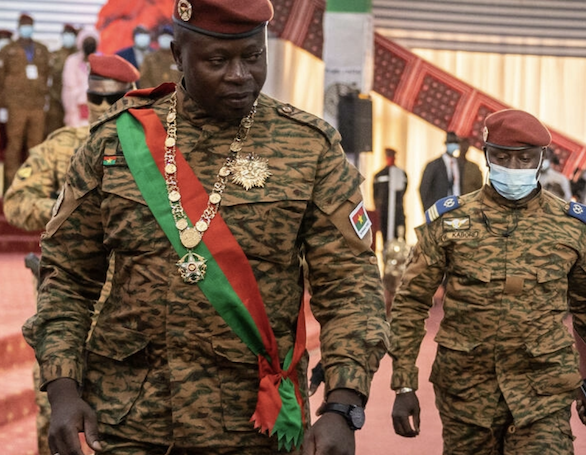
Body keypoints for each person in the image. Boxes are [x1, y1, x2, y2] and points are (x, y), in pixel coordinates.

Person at [22, 2, 390, 455]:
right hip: (127, 423)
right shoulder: (115, 142)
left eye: (253, 57)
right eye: (217, 60)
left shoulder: (309, 147)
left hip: (257, 426)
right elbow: (67, 279)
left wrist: (343, 404)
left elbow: (350, 286)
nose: (239, 75)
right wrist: (62, 389)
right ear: (178, 54)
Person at [389, 108, 586, 454]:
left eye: (525, 158)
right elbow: (410, 303)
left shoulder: (571, 226)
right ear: (486, 156)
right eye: (502, 157)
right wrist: (404, 385)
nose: (513, 168)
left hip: (543, 393)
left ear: (540, 160)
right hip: (467, 394)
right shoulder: (450, 221)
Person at [4, 53, 139, 455]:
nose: (102, 108)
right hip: (66, 296)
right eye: (96, 99)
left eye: (111, 99)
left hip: (127, 304)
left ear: (132, 95)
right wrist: (69, 212)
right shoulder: (64, 145)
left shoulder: (152, 151)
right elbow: (16, 203)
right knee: (54, 411)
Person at [0, 13, 50, 192]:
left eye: (29, 24)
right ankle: (11, 185)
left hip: (37, 104)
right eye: (24, 25)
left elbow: (46, 74)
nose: (27, 27)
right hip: (16, 105)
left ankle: (32, 183)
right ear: (19, 27)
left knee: (35, 146)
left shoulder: (41, 49)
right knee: (14, 144)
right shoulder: (8, 50)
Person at [61, 26, 99, 128]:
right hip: (76, 111)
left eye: (92, 42)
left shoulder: (102, 61)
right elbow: (69, 87)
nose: (89, 45)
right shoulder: (72, 61)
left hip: (97, 111)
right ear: (81, 43)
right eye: (87, 41)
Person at [45, 24, 78, 136]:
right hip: (56, 100)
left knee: (72, 133)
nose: (67, 37)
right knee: (54, 132)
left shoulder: (79, 56)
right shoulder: (54, 55)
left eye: (70, 35)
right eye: (65, 34)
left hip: (74, 101)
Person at [419, 131, 462, 212]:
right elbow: (424, 189)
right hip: (439, 209)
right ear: (445, 143)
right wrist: (430, 211)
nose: (453, 145)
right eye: (450, 142)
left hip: (458, 209)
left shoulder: (459, 164)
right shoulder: (434, 165)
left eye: (455, 142)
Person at [373, 147, 407, 244]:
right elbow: (375, 193)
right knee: (385, 237)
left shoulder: (401, 174)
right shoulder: (379, 174)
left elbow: (404, 190)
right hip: (384, 210)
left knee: (400, 236)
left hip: (398, 210)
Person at [139, 24, 182, 88]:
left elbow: (184, 79)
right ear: (158, 39)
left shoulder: (179, 59)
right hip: (154, 95)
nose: (165, 39)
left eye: (168, 36)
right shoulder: (149, 59)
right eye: (163, 36)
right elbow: (144, 79)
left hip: (176, 95)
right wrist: (152, 94)